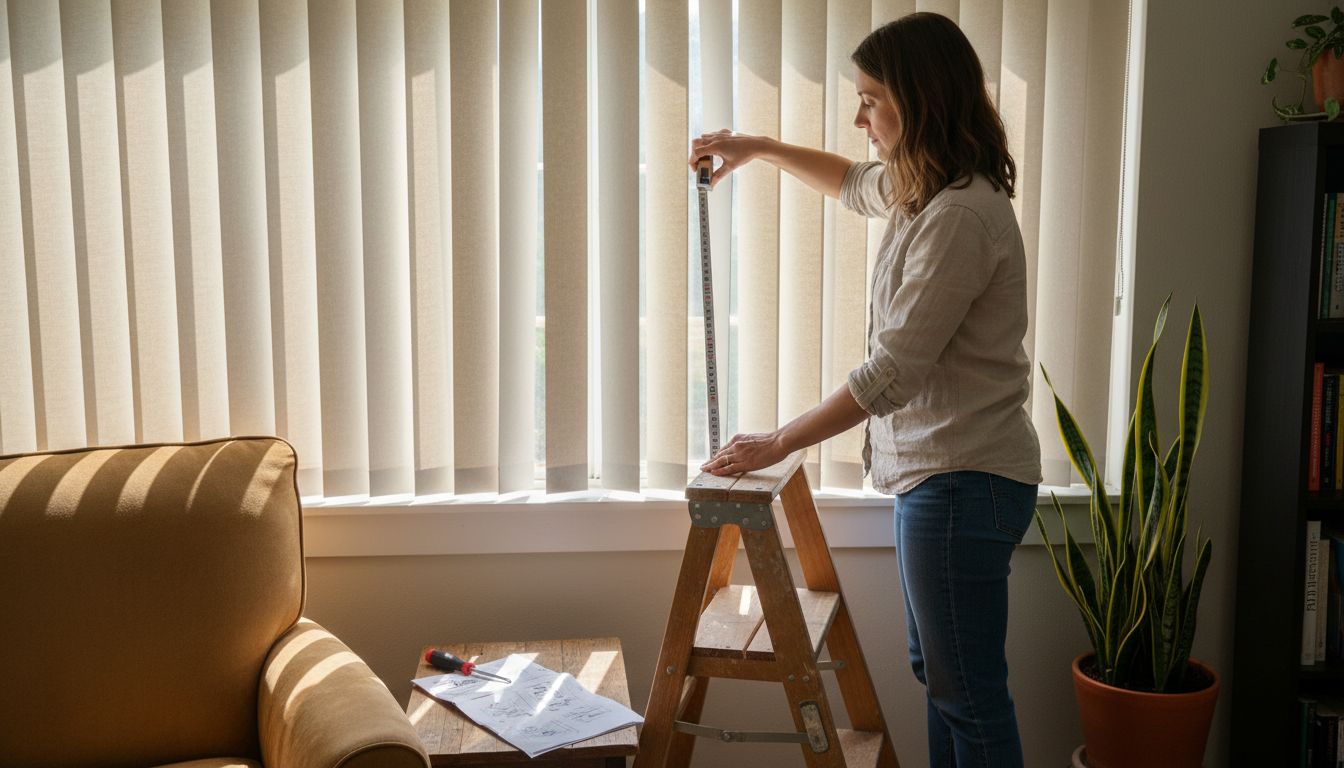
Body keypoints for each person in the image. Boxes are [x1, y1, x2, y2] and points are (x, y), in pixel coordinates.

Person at [691, 12, 1042, 768]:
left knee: (969, 696)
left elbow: (890, 374)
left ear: (921, 100)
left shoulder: (958, 217)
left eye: (872, 98)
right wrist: (756, 148)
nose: (860, 117)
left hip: (963, 482)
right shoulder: (927, 190)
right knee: (943, 682)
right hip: (947, 481)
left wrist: (778, 441)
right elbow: (852, 184)